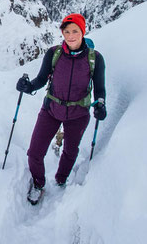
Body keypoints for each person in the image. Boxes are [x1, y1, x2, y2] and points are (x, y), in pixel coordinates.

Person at [16, 13, 106, 204]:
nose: (71, 36)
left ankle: (61, 179)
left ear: (83, 31)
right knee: (34, 152)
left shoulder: (95, 59)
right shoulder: (54, 53)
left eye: (75, 31)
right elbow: (41, 79)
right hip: (51, 108)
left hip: (78, 114)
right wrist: (28, 86)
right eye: (67, 31)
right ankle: (39, 183)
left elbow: (100, 89)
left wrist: (100, 103)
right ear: (62, 33)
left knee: (70, 152)